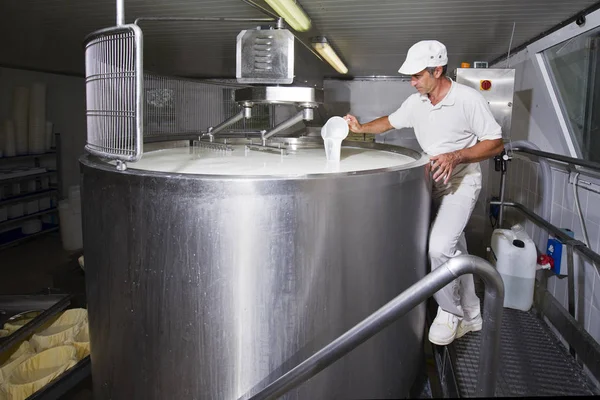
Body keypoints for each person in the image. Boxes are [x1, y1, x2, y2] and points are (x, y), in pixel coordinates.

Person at [344, 40, 504, 346]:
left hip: (461, 181)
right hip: (433, 180)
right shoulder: (417, 102)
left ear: (438, 70)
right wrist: (360, 128)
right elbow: (389, 122)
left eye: (417, 75)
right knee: (455, 249)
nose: (412, 81)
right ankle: (472, 315)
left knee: (438, 248)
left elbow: (495, 143)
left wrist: (456, 156)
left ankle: (450, 311)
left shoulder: (467, 99)